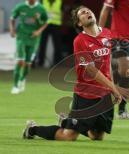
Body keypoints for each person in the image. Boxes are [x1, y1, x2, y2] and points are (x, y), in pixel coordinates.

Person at [22, 6, 122, 141]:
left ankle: (66, 122)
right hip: (86, 95)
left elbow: (108, 63)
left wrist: (112, 86)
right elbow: (91, 70)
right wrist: (113, 88)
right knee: (68, 136)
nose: (87, 12)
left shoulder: (107, 34)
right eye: (82, 13)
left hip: (105, 94)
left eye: (88, 10)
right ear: (79, 23)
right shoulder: (80, 41)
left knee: (97, 136)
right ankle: (32, 129)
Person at [9, 0, 48, 94]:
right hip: (21, 37)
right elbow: (12, 18)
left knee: (28, 64)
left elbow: (45, 22)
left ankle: (22, 79)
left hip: (34, 39)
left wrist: (39, 31)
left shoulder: (41, 8)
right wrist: (12, 29)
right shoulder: (20, 7)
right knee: (20, 61)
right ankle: (15, 86)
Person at [37, 0, 63, 67]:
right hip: (44, 25)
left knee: (57, 44)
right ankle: (40, 62)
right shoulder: (43, 1)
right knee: (42, 43)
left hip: (56, 25)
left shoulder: (59, 1)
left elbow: (62, 13)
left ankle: (58, 62)